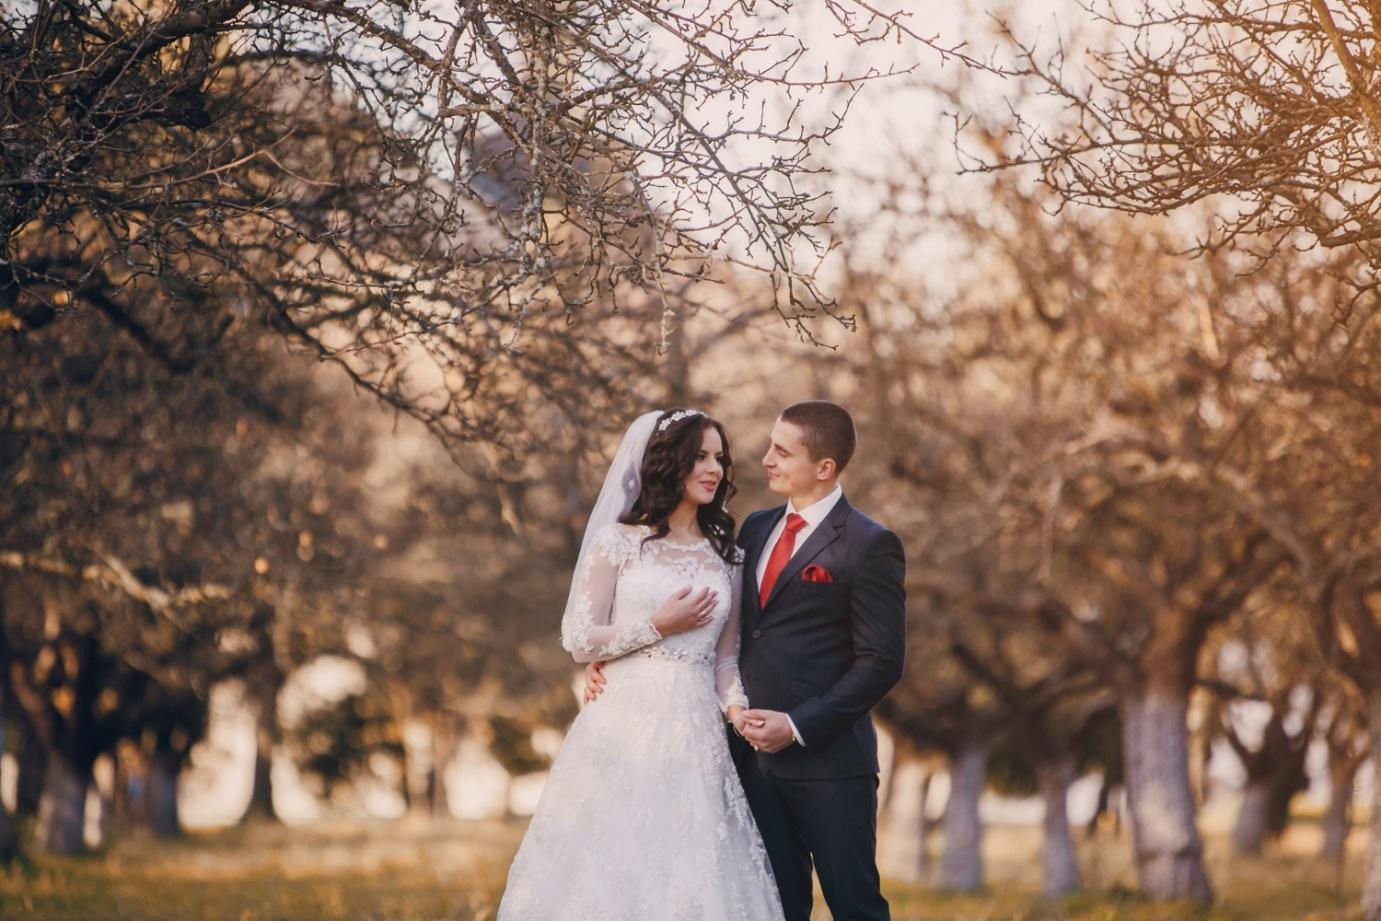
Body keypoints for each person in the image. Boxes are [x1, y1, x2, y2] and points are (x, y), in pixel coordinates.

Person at [587, 400, 907, 921]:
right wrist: (616, 654)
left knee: (856, 905)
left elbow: (881, 662)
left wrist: (799, 725)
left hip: (830, 765)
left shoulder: (870, 545)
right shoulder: (753, 530)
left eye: (782, 451)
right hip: (747, 764)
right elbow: (725, 636)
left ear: (823, 467)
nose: (766, 459)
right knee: (773, 907)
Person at [495, 408, 786, 921]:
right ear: (665, 463)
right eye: (699, 456)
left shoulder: (728, 555)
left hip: (696, 735)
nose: (713, 469)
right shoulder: (617, 542)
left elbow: (725, 658)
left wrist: (737, 710)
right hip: (620, 729)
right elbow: (580, 640)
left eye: (719, 458)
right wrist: (657, 625)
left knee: (693, 868)